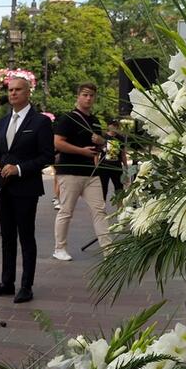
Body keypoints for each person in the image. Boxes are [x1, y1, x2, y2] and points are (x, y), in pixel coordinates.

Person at [0, 75, 54, 304]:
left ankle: (26, 285)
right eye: (10, 90)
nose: (12, 93)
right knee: (7, 237)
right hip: (3, 188)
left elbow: (47, 156)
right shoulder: (2, 121)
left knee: (26, 236)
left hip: (26, 188)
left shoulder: (40, 121)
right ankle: (7, 282)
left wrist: (20, 169)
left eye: (17, 90)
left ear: (28, 92)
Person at [52, 83, 110, 261]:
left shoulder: (95, 121)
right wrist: (81, 151)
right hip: (70, 171)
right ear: (78, 96)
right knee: (66, 211)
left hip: (91, 173)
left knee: (99, 210)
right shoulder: (67, 118)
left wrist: (101, 141)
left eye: (91, 95)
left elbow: (101, 146)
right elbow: (57, 143)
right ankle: (59, 248)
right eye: (85, 95)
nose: (88, 98)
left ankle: (109, 249)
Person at [98, 119, 128, 204]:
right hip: (103, 166)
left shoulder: (121, 138)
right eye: (112, 125)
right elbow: (97, 153)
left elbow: (123, 155)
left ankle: (120, 209)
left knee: (119, 189)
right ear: (108, 126)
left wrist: (126, 168)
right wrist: (96, 165)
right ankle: (101, 210)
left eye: (116, 125)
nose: (114, 127)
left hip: (116, 166)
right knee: (103, 188)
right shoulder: (103, 137)